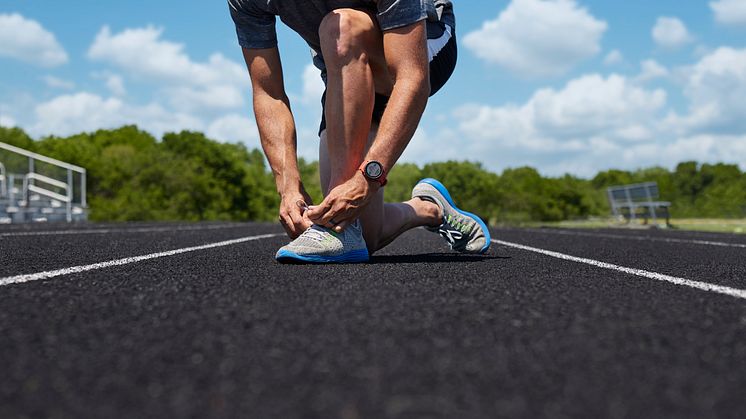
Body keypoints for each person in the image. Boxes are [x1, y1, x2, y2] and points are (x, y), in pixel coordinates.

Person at [228, 0, 490, 263]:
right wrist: (288, 187)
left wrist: (367, 178)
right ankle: (430, 208)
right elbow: (268, 94)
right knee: (364, 233)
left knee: (341, 27)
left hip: (422, 45)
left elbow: (413, 78)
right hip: (347, 66)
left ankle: (340, 230)